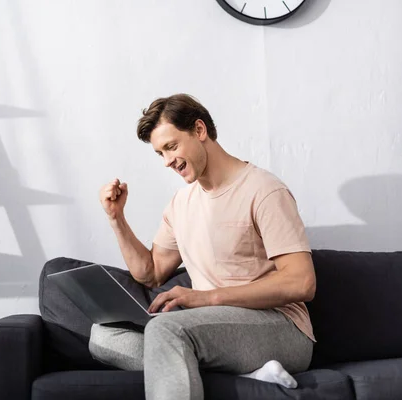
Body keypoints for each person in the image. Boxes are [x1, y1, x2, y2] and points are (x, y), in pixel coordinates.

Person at [91, 94, 316, 400]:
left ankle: (220, 369)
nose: (168, 160)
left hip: (280, 327)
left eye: (171, 146)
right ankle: (250, 375)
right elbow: (151, 273)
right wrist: (116, 218)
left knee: (167, 332)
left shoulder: (263, 190)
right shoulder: (181, 203)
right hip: (215, 331)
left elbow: (301, 281)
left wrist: (206, 298)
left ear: (199, 130)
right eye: (160, 153)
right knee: (103, 337)